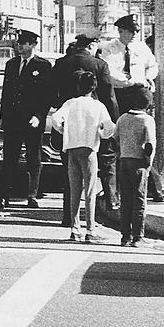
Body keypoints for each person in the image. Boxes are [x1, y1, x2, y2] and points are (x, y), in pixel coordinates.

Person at [50, 32, 119, 224]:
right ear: (92, 45)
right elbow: (109, 96)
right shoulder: (99, 65)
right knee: (92, 177)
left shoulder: (62, 63)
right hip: (92, 125)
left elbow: (52, 91)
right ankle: (93, 219)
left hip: (69, 127)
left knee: (69, 175)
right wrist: (111, 123)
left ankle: (68, 218)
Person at [50, 71, 116, 243]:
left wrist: (64, 131)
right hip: (89, 149)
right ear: (93, 87)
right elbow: (109, 127)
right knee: (90, 190)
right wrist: (101, 133)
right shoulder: (98, 105)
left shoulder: (70, 103)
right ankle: (91, 229)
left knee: (74, 190)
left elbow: (56, 119)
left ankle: (74, 228)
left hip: (72, 148)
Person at [0, 29, 53, 209]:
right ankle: (4, 196)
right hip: (13, 120)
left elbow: (47, 96)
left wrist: (39, 115)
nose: (19, 46)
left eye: (24, 43)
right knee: (9, 158)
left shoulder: (43, 66)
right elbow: (7, 93)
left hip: (32, 120)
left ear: (33, 44)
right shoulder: (12, 64)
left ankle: (32, 195)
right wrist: (3, 117)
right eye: (19, 42)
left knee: (33, 158)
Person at [114, 86, 156, 247]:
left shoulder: (122, 118)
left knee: (125, 199)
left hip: (124, 160)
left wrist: (120, 152)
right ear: (149, 104)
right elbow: (149, 145)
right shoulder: (147, 120)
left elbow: (114, 138)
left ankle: (125, 236)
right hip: (139, 162)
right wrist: (148, 162)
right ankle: (138, 237)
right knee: (139, 200)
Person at [101, 15, 159, 114]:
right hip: (118, 91)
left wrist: (148, 77)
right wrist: (132, 81)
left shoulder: (141, 47)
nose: (134, 34)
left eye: (136, 31)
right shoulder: (109, 48)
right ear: (120, 31)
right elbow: (110, 72)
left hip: (138, 92)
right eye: (130, 31)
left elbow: (152, 65)